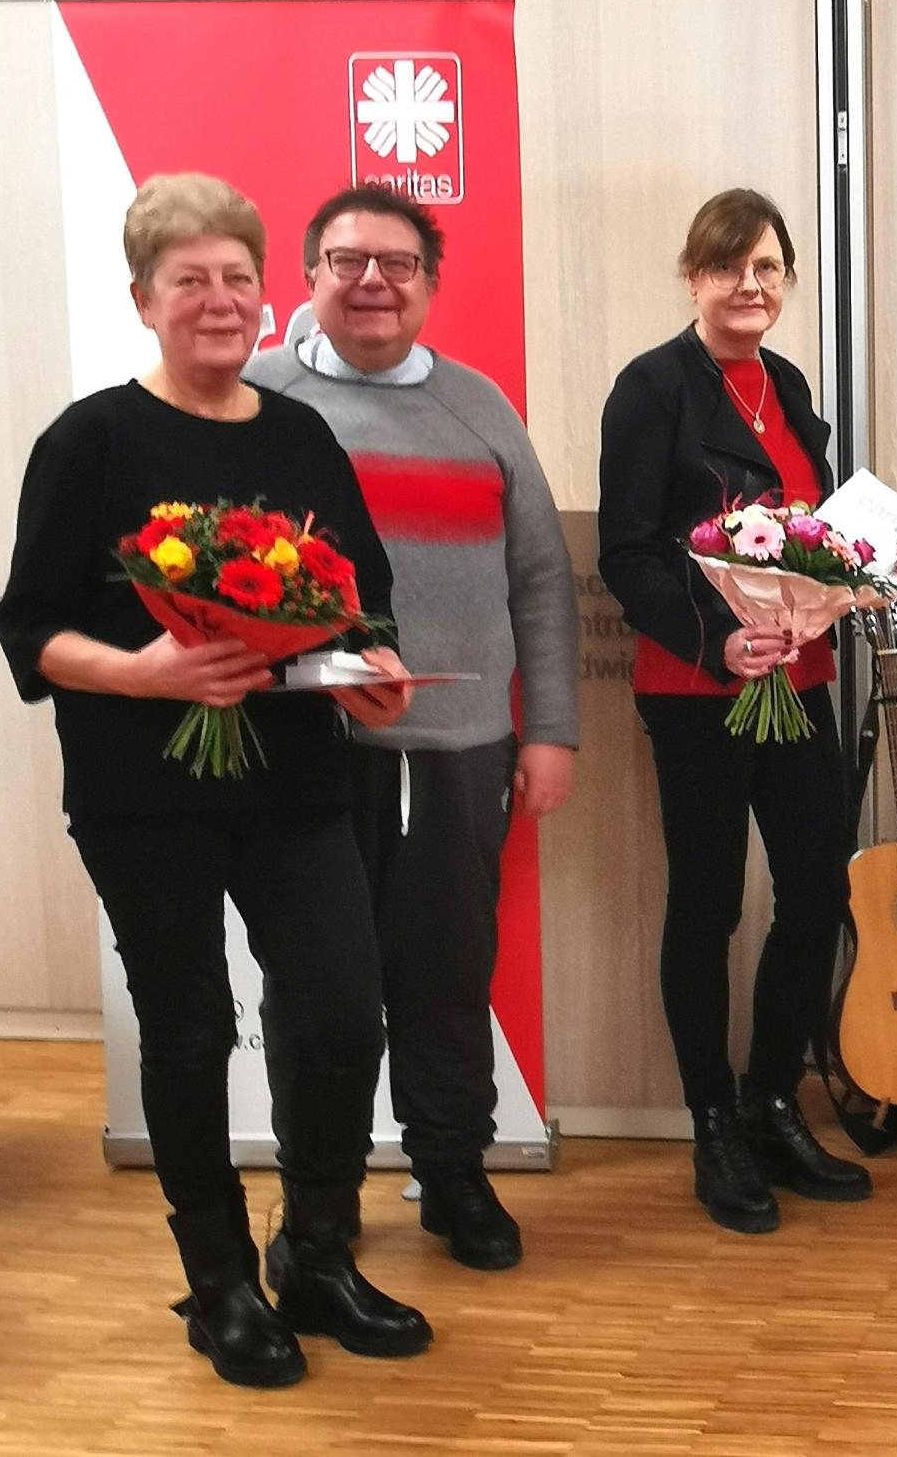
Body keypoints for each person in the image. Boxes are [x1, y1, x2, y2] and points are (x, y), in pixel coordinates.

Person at [0, 174, 429, 1386]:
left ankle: (319, 1254)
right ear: (144, 300)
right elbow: (30, 630)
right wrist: (151, 673)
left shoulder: (300, 437)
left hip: (296, 784)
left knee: (343, 1012)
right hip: (146, 797)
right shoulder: (91, 440)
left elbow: (362, 601)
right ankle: (220, 1281)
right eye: (191, 280)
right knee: (188, 1033)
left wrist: (369, 670)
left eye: (238, 277)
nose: (221, 300)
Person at [247, 185, 580, 1272]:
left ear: (432, 284)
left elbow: (539, 579)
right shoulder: (260, 402)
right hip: (305, 753)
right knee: (316, 989)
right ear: (311, 276)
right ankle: (321, 1206)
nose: (373, 281)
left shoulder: (480, 407)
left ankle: (452, 1175)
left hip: (462, 748)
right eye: (347, 260)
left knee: (445, 974)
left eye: (397, 263)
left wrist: (551, 732)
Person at [598, 188, 897, 1235]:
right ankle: (711, 1123)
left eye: (771, 270)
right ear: (695, 275)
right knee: (708, 906)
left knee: (814, 894)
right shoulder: (649, 390)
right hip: (701, 687)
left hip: (803, 679)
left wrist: (876, 571)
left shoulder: (785, 386)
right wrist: (716, 638)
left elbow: (815, 536)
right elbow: (630, 553)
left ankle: (774, 1100)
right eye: (731, 266)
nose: (752, 285)